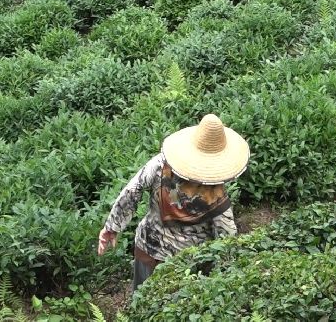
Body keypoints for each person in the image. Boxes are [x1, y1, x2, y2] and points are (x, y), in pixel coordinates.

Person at [97, 114, 249, 292]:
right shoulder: (215, 192)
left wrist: (111, 227)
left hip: (148, 248)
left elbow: (132, 191)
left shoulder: (161, 164)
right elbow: (227, 238)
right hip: (187, 266)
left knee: (140, 303)